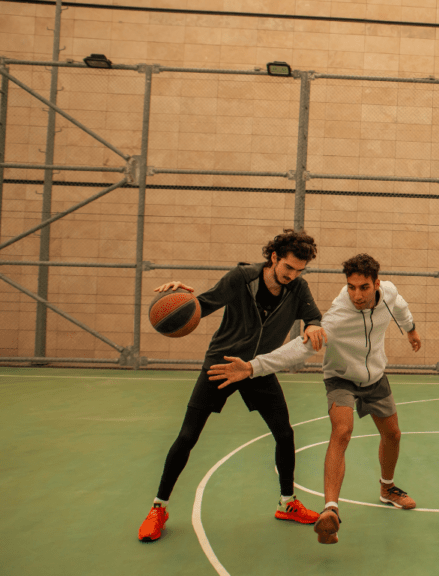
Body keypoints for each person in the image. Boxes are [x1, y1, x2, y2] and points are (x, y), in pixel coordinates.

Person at [208, 253, 422, 545]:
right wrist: (251, 367)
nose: (356, 294)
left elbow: (400, 308)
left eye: (363, 287)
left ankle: (388, 489)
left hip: (375, 377)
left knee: (393, 435)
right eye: (351, 287)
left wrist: (411, 331)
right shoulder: (336, 316)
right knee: (342, 431)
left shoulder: (390, 293)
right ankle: (330, 510)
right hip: (341, 377)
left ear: (377, 283)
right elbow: (300, 348)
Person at [138, 229, 328, 542]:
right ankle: (158, 507)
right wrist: (177, 299)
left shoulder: (298, 288)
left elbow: (313, 317)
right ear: (274, 258)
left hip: (256, 369)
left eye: (299, 271)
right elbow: (203, 305)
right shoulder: (242, 278)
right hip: (223, 365)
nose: (292, 276)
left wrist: (313, 325)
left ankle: (287, 503)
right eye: (288, 268)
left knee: (285, 433)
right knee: (187, 436)